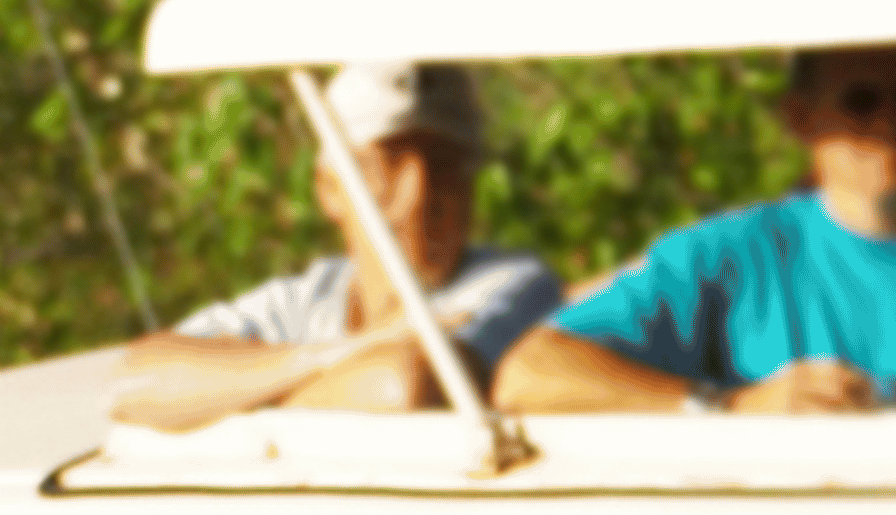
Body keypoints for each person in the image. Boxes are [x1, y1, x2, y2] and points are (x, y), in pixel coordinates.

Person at [500, 43, 896, 416]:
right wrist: (733, 408)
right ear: (800, 118)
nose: (889, 124)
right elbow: (528, 373)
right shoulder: (729, 256)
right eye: (860, 102)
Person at [109, 59, 566, 427]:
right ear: (329, 190)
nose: (417, 199)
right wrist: (338, 353)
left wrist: (233, 397)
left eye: (444, 168)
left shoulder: (516, 286)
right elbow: (135, 382)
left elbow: (405, 385)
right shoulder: (311, 296)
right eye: (384, 171)